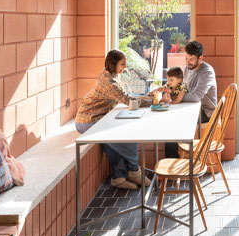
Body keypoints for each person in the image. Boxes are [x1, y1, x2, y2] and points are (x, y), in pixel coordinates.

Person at [76, 49, 170, 190]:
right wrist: (154, 101)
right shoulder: (109, 82)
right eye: (122, 64)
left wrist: (148, 96)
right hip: (88, 120)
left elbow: (127, 96)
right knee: (125, 136)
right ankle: (134, 171)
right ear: (113, 64)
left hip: (100, 117)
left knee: (112, 142)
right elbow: (128, 100)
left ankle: (118, 178)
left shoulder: (111, 74)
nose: (125, 67)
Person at [165, 40, 217, 158]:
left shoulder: (207, 72)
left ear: (201, 58)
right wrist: (169, 91)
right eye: (186, 58)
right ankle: (174, 162)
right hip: (192, 108)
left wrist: (176, 98)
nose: (188, 62)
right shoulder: (188, 67)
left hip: (205, 111)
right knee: (169, 119)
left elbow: (195, 96)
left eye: (191, 59)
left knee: (171, 124)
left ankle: (174, 163)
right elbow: (184, 89)